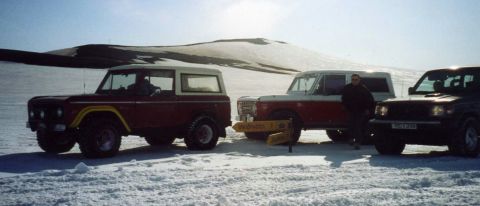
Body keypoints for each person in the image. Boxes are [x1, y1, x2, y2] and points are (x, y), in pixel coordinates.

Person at [341, 74, 374, 150]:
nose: (354, 81)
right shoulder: (347, 88)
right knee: (350, 125)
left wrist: (367, 109)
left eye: (356, 79)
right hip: (350, 110)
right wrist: (344, 106)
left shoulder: (363, 89)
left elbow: (369, 99)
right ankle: (351, 139)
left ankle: (358, 142)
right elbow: (343, 98)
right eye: (353, 79)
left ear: (359, 80)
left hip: (360, 111)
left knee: (358, 126)